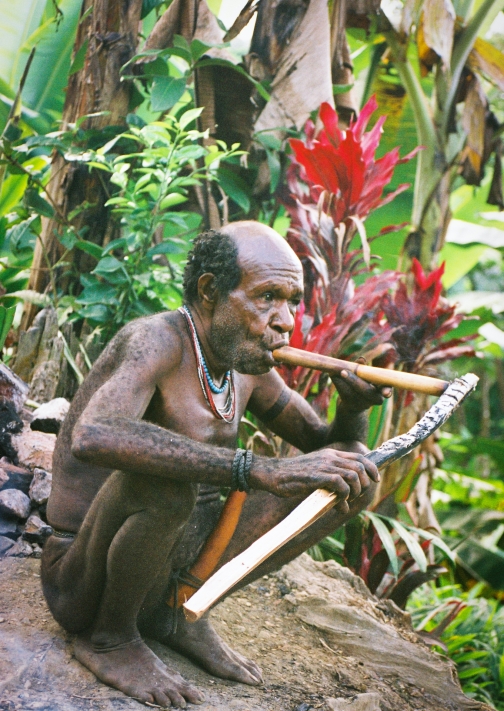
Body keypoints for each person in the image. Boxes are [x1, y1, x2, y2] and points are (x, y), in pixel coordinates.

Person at [41, 221, 389, 708]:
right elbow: (93, 434)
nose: (285, 320)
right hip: (84, 583)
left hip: (172, 570)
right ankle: (111, 639)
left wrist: (352, 408)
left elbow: (327, 445)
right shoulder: (156, 341)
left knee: (349, 472)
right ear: (209, 290)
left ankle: (181, 612)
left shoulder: (245, 367)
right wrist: (254, 468)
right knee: (170, 484)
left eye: (291, 300)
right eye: (267, 297)